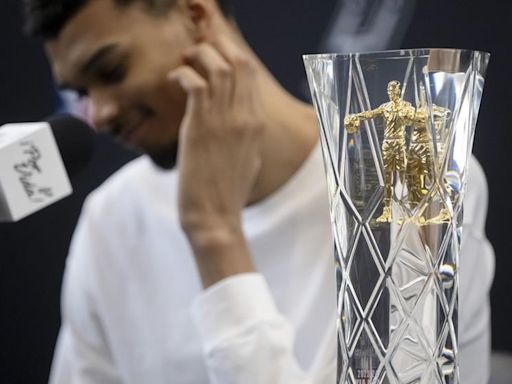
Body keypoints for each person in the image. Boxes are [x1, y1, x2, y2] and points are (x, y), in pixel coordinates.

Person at [24, 0, 494, 383]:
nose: (99, 114)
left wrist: (215, 235)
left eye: (110, 70)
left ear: (195, 16)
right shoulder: (111, 217)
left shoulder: (415, 178)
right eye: (81, 92)